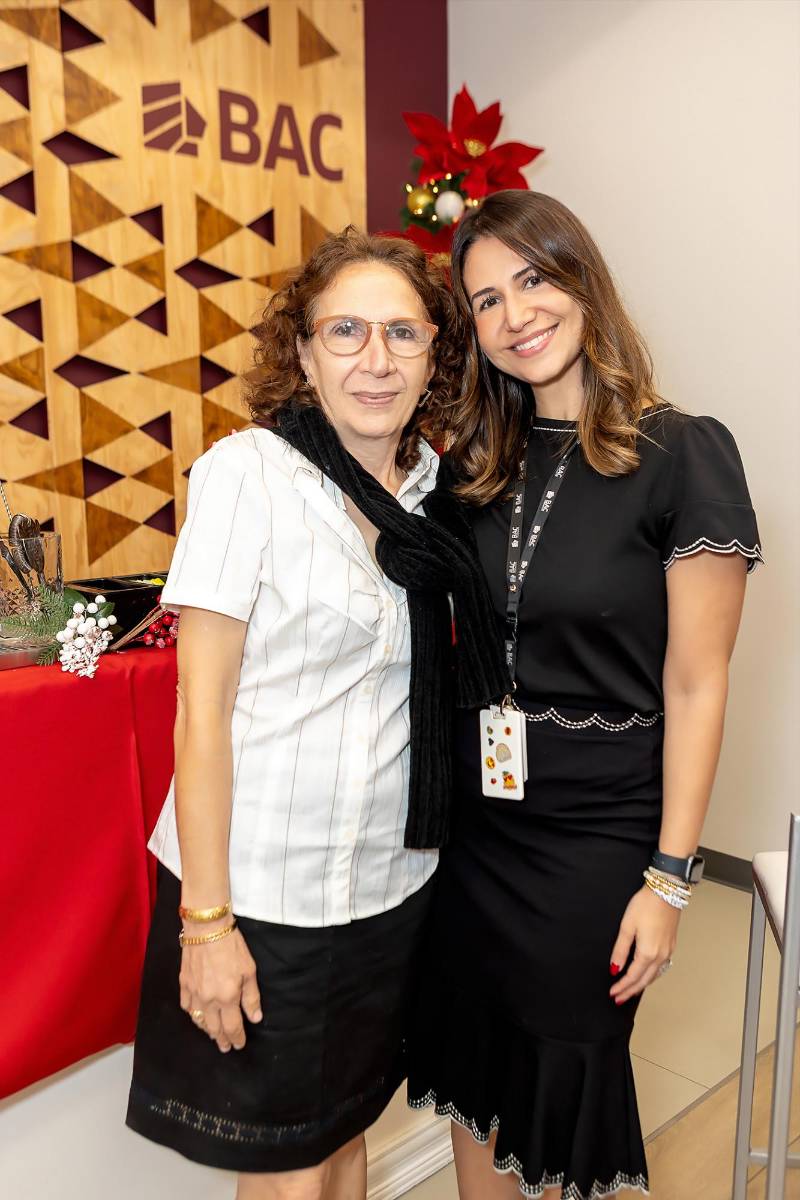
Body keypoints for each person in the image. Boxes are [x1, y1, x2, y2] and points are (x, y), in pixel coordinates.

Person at [125, 227, 507, 1200]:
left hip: (388, 884)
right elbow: (199, 713)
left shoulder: (429, 495)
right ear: (300, 351)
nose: (374, 360)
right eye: (344, 332)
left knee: (343, 1137)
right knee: (287, 1168)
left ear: (435, 355)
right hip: (265, 891)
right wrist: (205, 925)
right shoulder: (247, 476)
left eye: (400, 334)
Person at [407, 190, 762, 1200]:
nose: (514, 313)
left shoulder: (681, 452)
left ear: (580, 277)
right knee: (474, 1059)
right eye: (484, 300)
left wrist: (667, 878)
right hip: (479, 825)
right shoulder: (474, 463)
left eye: (532, 278)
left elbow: (696, 684)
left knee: (565, 1070)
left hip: (597, 830)